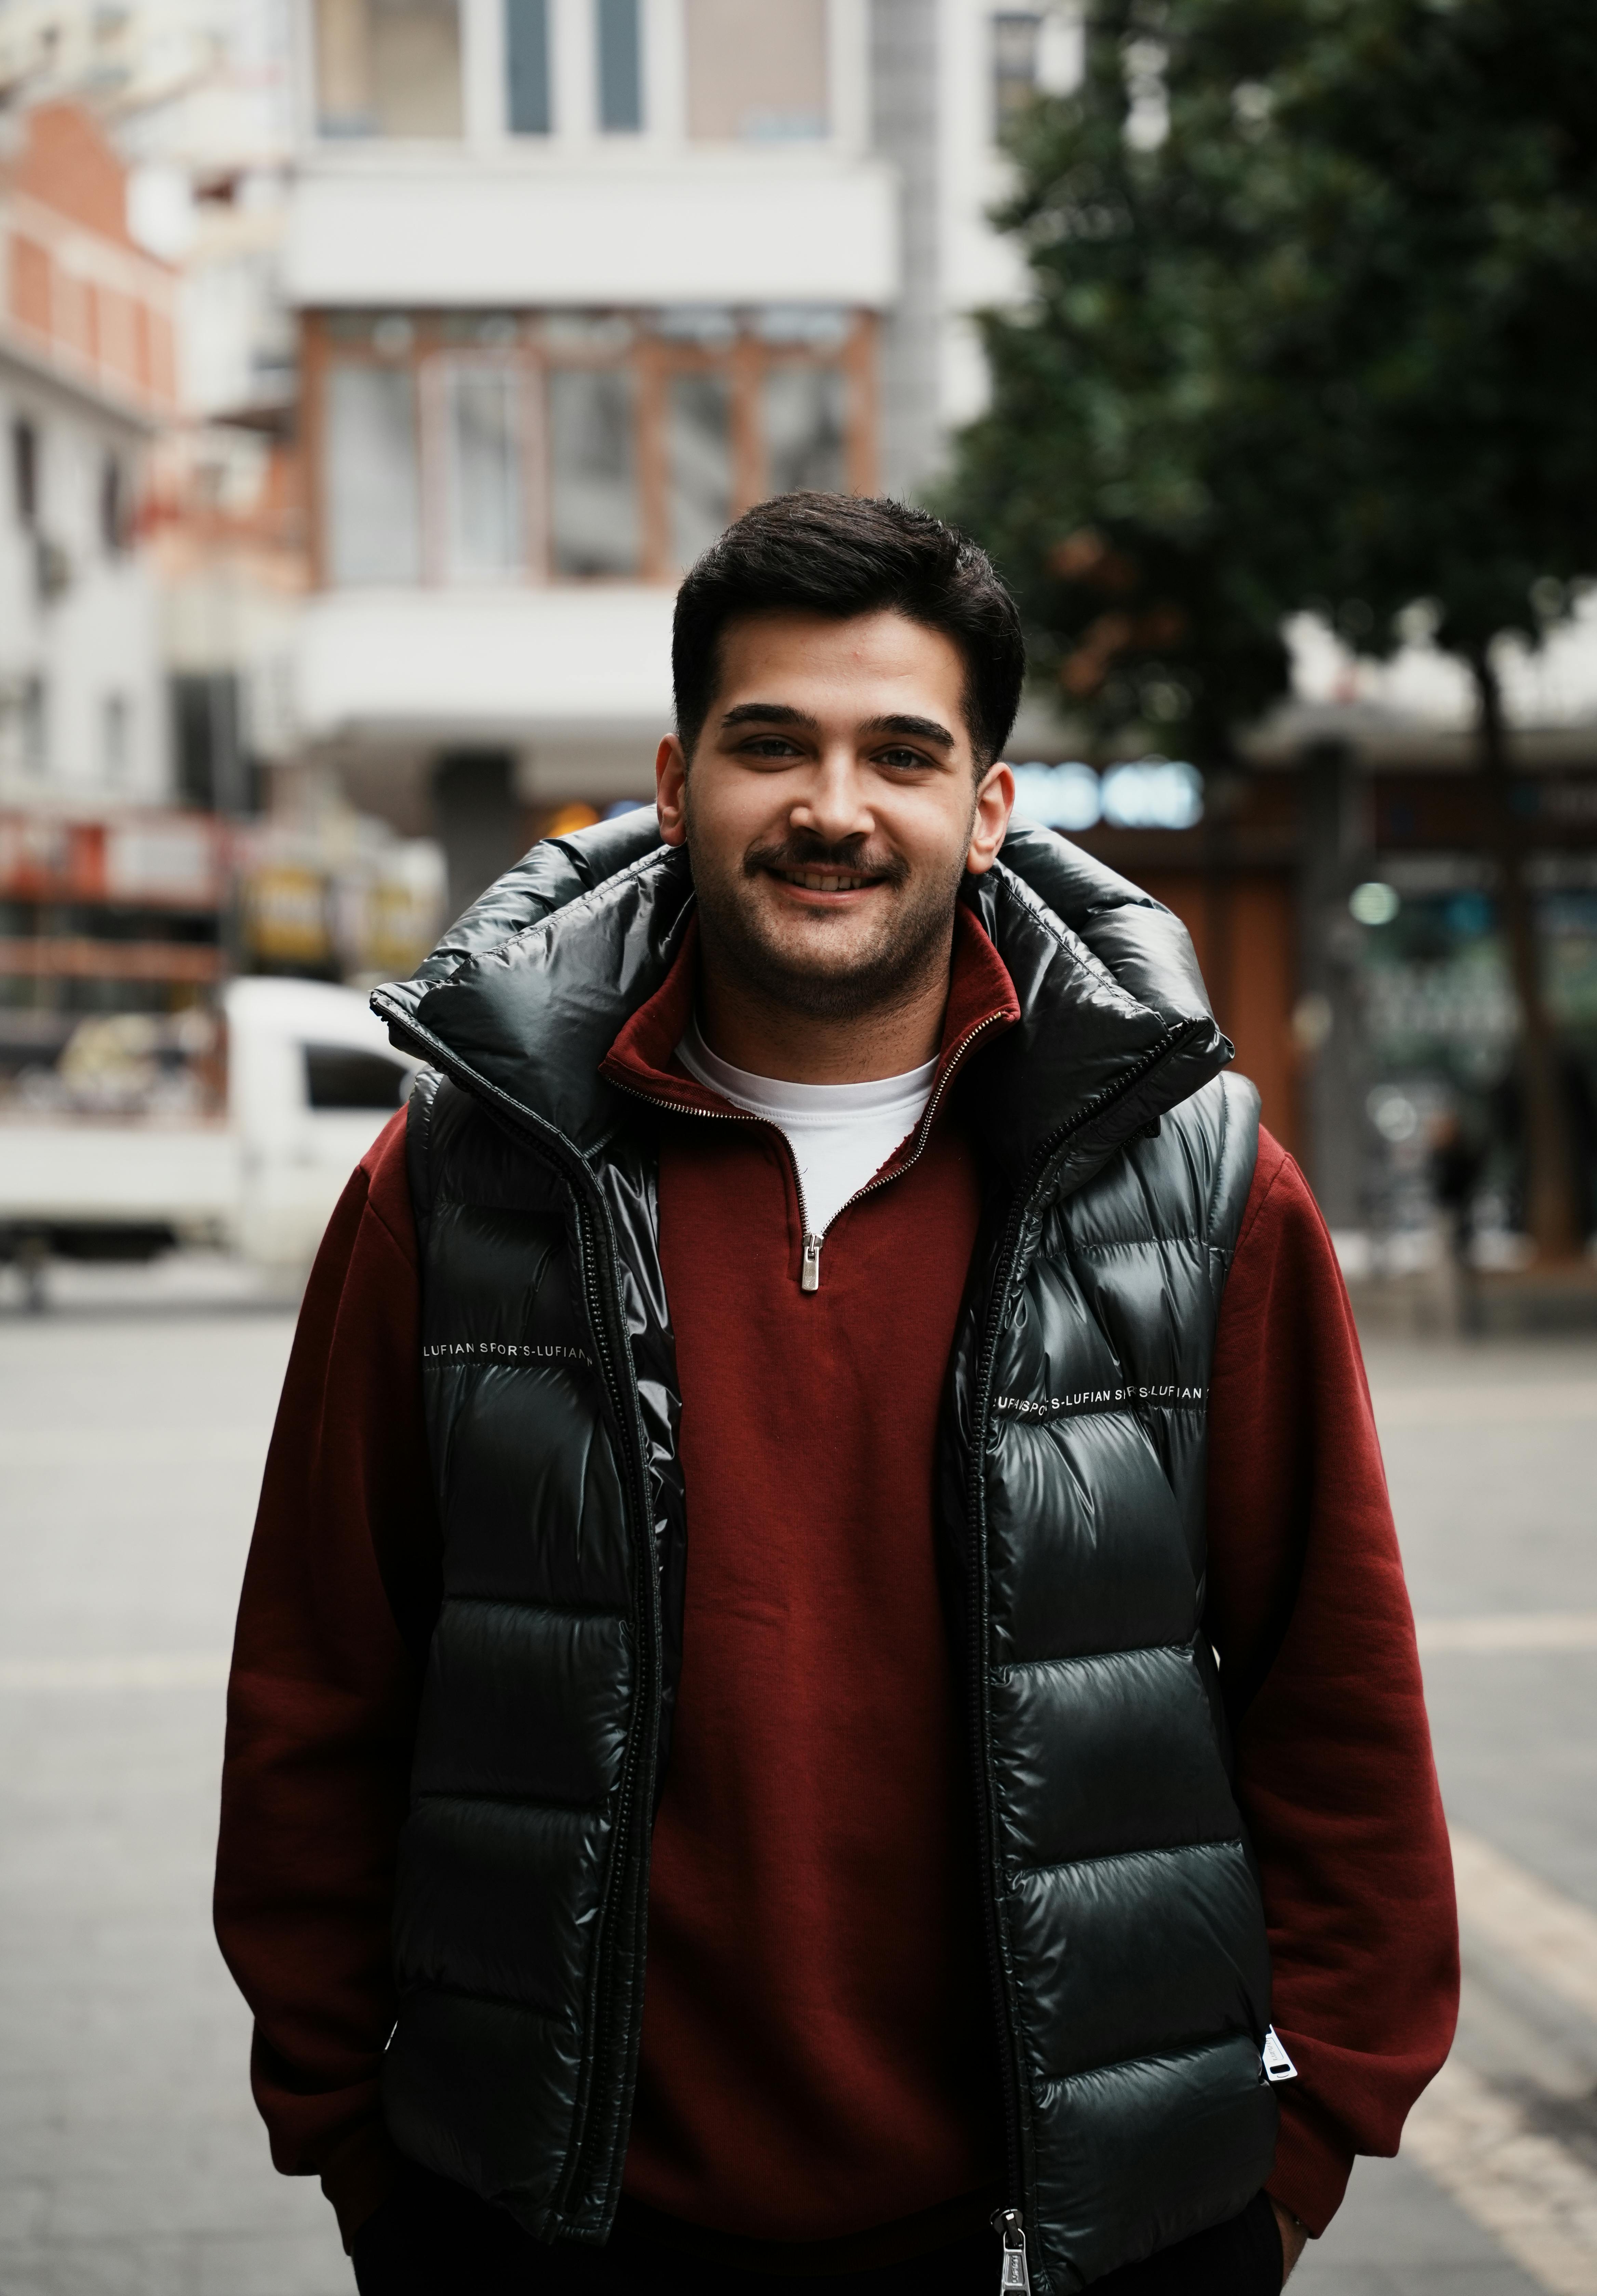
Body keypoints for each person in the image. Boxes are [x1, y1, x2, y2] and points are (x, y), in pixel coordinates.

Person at [215, 495, 1457, 2296]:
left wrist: (1292, 2147)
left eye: (903, 753)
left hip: (1078, 2236)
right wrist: (360, 2142)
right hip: (549, 2220)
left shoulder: (1194, 1189)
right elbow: (322, 1681)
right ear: (672, 778)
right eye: (770, 745)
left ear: (988, 807)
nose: (832, 808)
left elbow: (1332, 1689)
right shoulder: (461, 1189)